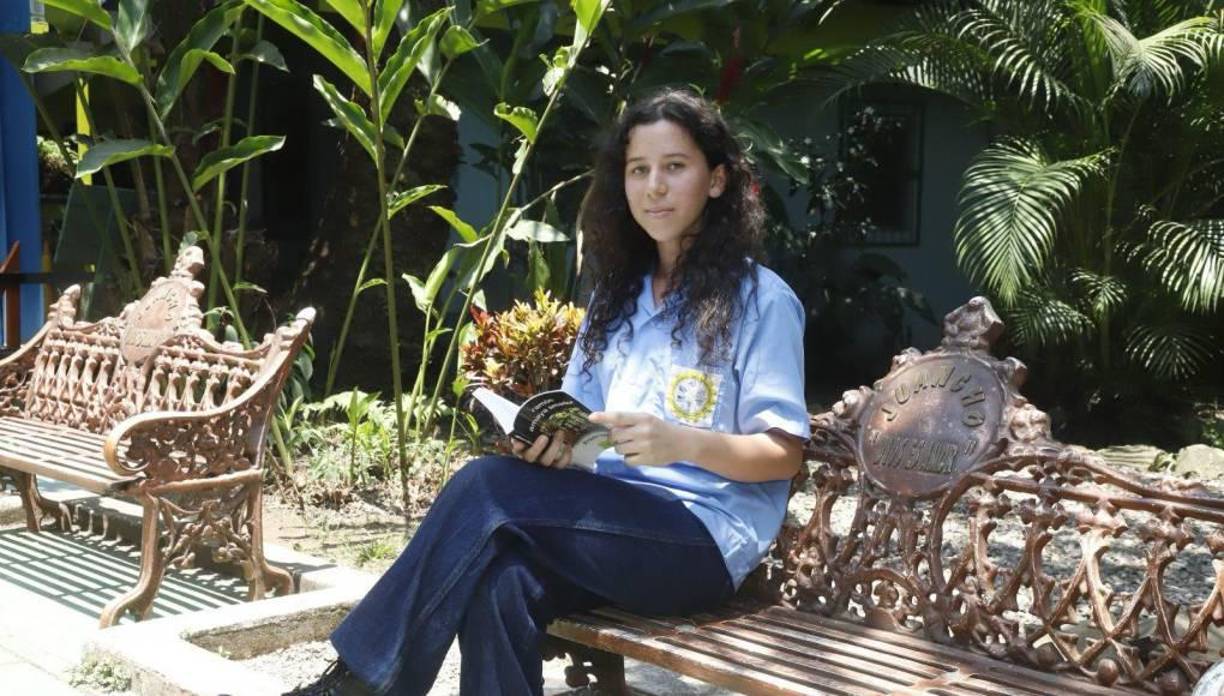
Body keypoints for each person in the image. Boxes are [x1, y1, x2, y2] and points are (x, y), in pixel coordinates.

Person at [291, 87, 809, 696]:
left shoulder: (761, 301)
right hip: (606, 522)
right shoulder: (617, 298)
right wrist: (553, 445)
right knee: (501, 581)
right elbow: (581, 422)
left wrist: (681, 443)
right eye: (638, 170)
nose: (654, 187)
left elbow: (784, 454)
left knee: (485, 486)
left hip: (700, 542)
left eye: (675, 166)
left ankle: (359, 684)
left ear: (716, 180)